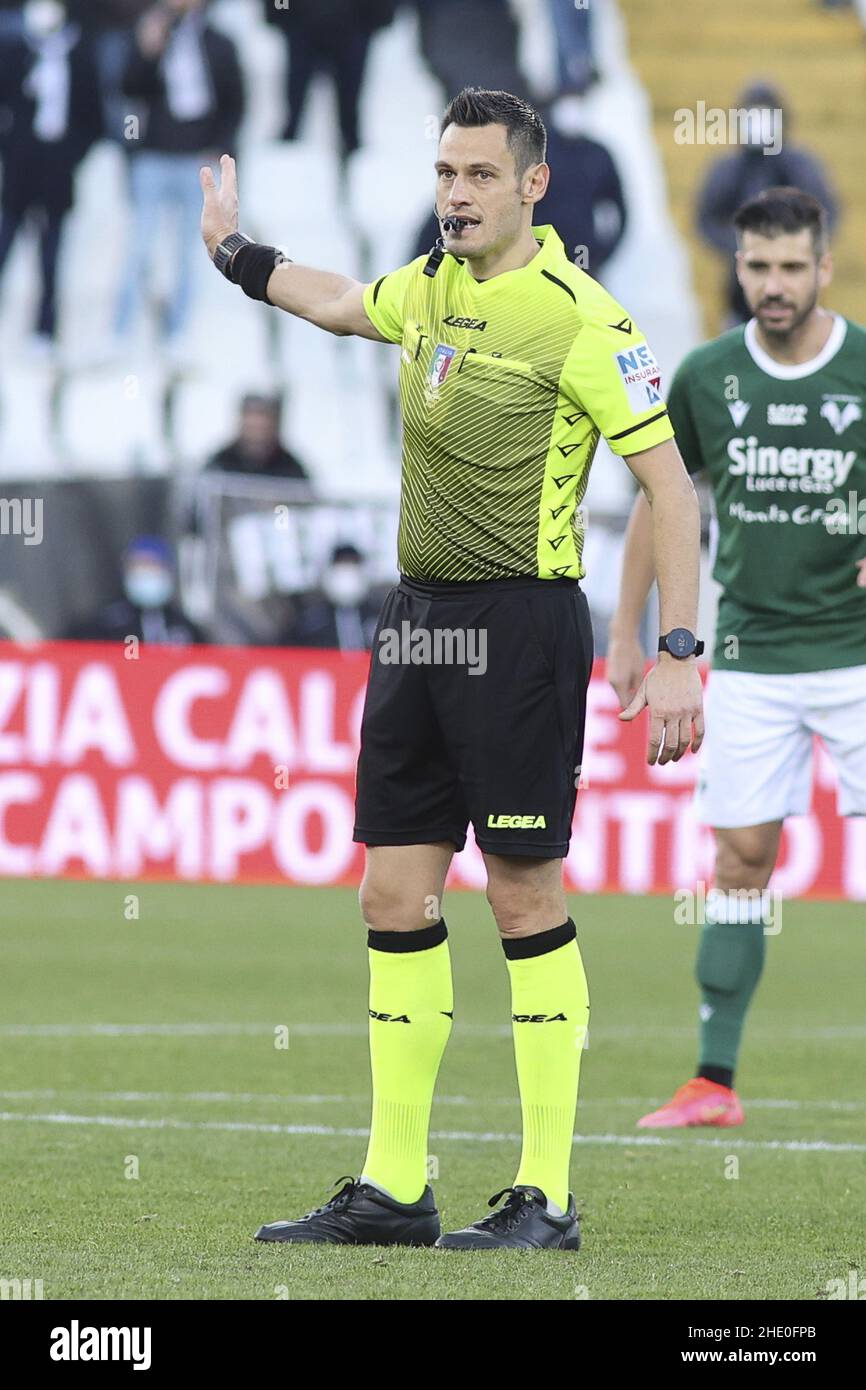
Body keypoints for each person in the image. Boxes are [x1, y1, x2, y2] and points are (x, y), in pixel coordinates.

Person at [200, 87, 704, 1250]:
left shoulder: (586, 319)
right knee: (392, 892)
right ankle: (393, 1186)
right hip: (415, 623)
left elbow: (668, 489)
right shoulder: (424, 288)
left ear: (531, 184)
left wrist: (677, 652)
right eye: (442, 174)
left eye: (478, 176)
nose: (454, 196)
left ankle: (546, 1195)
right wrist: (233, 250)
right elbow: (331, 301)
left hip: (521, 628)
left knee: (521, 893)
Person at [608, 187, 866, 1129]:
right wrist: (629, 629)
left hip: (858, 656)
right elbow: (659, 498)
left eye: (792, 266)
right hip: (752, 654)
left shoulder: (864, 368)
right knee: (742, 858)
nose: (774, 285)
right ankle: (713, 1080)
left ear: (824, 268)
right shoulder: (710, 374)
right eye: (758, 267)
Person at [114, 0, 244, 346]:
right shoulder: (147, 32)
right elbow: (128, 88)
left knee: (191, 251)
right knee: (139, 247)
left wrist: (221, 147)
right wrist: (147, 51)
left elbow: (234, 102)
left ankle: (178, 332)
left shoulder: (220, 42)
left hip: (197, 162)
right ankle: (121, 331)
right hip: (153, 156)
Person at [412, 91, 626, 280]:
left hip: (569, 269)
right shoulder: (515, 155)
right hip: (522, 271)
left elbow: (619, 209)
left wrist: (598, 254)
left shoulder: (596, 154)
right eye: (447, 173)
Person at [0, 0, 102, 348]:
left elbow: (94, 118)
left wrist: (71, 155)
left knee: (51, 254)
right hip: (20, 168)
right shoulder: (16, 53)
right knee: (6, 241)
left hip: (58, 170)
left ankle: (45, 329)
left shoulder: (80, 55)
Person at [696, 80, 839, 324]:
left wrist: (793, 247)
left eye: (766, 115)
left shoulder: (799, 166)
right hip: (740, 292)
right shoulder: (729, 168)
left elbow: (828, 214)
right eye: (752, 116)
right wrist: (742, 246)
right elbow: (706, 218)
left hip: (799, 295)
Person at [262, 0, 396, 160]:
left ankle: (352, 143)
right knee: (296, 89)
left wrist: (380, 15)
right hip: (302, 25)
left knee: (350, 93)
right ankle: (290, 139)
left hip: (354, 24)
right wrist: (278, 12)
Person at [65, 535, 203, 643]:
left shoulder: (184, 628)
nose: (146, 573)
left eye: (153, 565)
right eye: (139, 566)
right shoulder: (105, 624)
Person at [283, 543, 381, 651]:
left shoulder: (384, 618)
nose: (347, 573)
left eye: (352, 564)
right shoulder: (310, 624)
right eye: (341, 565)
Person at [205, 393, 311, 482]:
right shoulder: (219, 463)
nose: (256, 432)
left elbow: (300, 504)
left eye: (262, 426)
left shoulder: (291, 469)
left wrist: (276, 506)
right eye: (251, 427)